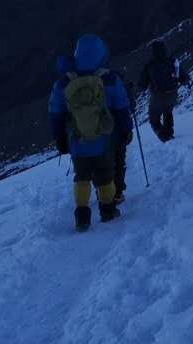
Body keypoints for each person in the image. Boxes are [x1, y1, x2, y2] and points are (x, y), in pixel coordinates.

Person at [49, 34, 133, 231]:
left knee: (82, 176)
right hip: (104, 139)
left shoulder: (64, 83)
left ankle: (82, 217)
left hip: (77, 141)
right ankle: (108, 211)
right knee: (105, 175)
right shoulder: (110, 79)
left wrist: (60, 139)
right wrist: (126, 131)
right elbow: (122, 109)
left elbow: (55, 113)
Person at [141, 41, 177, 141]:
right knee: (168, 112)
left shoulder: (150, 65)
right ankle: (169, 133)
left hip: (158, 96)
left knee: (153, 119)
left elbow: (142, 84)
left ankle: (163, 136)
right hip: (172, 93)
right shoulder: (171, 61)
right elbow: (181, 75)